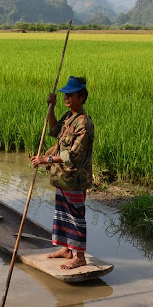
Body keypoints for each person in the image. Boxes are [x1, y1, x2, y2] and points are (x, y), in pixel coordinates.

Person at [31, 75, 94, 270]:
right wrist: (51, 109)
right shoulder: (68, 118)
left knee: (75, 216)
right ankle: (66, 249)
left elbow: (73, 155)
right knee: (61, 214)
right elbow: (54, 131)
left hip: (75, 178)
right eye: (65, 94)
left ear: (82, 97)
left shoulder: (84, 123)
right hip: (62, 177)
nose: (67, 97)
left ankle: (80, 257)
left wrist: (46, 159)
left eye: (71, 94)